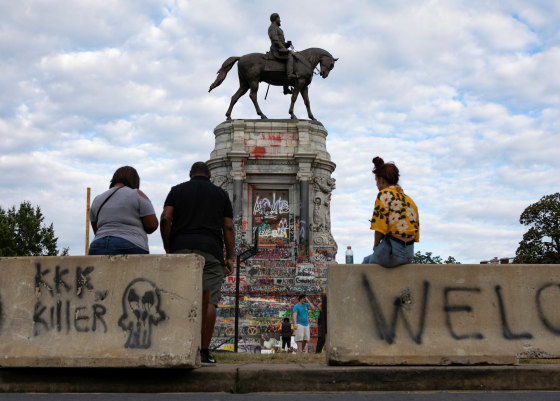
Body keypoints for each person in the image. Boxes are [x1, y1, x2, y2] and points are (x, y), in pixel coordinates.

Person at [160, 161, 235, 365]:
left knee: (177, 297)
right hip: (210, 250)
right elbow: (228, 227)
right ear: (210, 176)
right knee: (209, 300)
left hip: (181, 249)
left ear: (190, 174)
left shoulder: (177, 190)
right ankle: (203, 352)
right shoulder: (221, 195)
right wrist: (230, 256)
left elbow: (166, 218)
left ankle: (176, 347)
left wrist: (168, 246)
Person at [362, 156, 420, 268]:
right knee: (369, 259)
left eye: (376, 181)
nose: (376, 185)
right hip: (409, 254)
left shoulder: (384, 195)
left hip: (392, 252)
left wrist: (375, 246)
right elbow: (415, 232)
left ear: (381, 179)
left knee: (366, 264)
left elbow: (379, 226)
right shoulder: (408, 199)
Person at [89, 166, 158, 255]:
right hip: (131, 244)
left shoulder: (97, 199)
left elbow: (96, 230)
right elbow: (152, 226)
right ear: (135, 180)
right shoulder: (137, 194)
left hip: (97, 245)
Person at [268, 12, 296, 94]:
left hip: (280, 49)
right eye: (279, 18)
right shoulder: (272, 27)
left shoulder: (277, 28)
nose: (280, 20)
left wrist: (286, 44)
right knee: (290, 55)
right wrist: (283, 48)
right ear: (275, 19)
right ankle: (290, 74)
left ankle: (286, 88)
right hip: (276, 50)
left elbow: (281, 42)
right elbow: (275, 39)